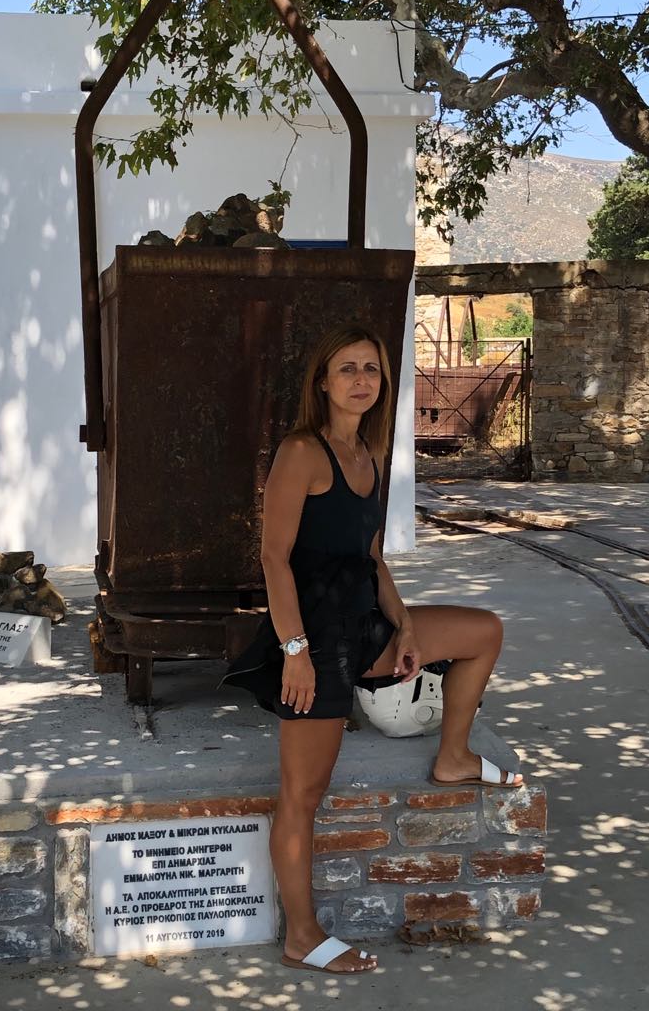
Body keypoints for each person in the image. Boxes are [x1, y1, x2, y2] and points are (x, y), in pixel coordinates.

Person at [221, 326, 523, 975]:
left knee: (482, 632)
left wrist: (405, 625)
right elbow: (273, 559)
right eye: (347, 368)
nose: (362, 380)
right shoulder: (302, 452)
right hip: (315, 639)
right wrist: (294, 650)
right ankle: (302, 937)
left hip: (367, 624)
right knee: (303, 793)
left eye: (372, 369)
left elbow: (374, 557)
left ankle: (453, 758)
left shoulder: (371, 454)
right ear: (322, 382)